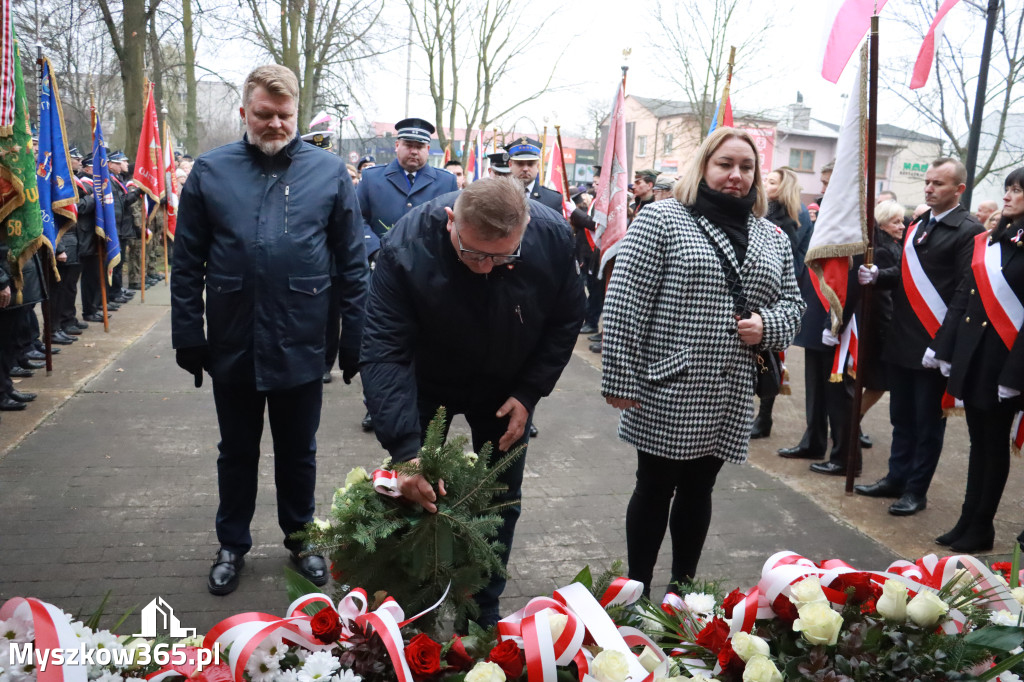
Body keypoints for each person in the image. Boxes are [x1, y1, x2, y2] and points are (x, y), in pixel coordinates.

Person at [171, 64, 368, 596]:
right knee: (236, 450)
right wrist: (187, 332)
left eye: (284, 115)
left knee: (298, 451)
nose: (275, 124)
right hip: (233, 341)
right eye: (264, 114)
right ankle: (232, 543)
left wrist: (356, 336)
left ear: (296, 113)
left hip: (304, 340)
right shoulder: (211, 173)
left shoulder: (328, 174)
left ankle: (301, 539)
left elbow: (353, 262)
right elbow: (186, 262)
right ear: (245, 112)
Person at [360, 176, 584, 626]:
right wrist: (405, 450)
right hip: (427, 379)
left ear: (524, 230)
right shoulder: (405, 245)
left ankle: (482, 604)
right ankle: (414, 605)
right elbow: (384, 348)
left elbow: (566, 317)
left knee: (500, 497)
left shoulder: (551, 235)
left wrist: (529, 392)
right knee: (414, 492)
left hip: (505, 383)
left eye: (504, 257)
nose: (486, 267)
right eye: (475, 254)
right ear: (450, 223)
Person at [600, 128, 804, 596]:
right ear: (704, 168)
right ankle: (635, 591)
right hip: (669, 383)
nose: (736, 175)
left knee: (700, 489)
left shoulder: (770, 235)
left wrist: (765, 324)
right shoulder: (662, 219)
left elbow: (794, 305)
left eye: (746, 167)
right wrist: (620, 376)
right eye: (725, 164)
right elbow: (626, 303)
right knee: (654, 487)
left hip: (730, 387)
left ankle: (681, 594)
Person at [854, 158, 984, 515]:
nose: (929, 188)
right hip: (902, 337)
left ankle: (915, 490)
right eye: (927, 182)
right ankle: (895, 478)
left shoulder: (968, 230)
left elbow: (964, 291)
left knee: (928, 425)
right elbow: (910, 275)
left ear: (959, 190)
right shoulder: (918, 224)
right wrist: (880, 274)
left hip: (932, 343)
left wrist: (943, 347)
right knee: (902, 417)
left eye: (938, 184)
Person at [932, 168, 1024, 553]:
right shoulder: (994, 238)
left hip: (1007, 361)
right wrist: (949, 350)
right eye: (1008, 188)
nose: (1008, 196)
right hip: (978, 356)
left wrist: (1016, 373)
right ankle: (968, 520)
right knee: (978, 442)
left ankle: (982, 524)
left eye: (1018, 190)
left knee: (993, 444)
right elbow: (966, 296)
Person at [355, 117, 458, 431]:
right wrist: (375, 250)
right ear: (396, 146)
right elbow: (357, 221)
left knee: (424, 343)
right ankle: (376, 405)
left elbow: (452, 224)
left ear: (429, 149)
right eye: (408, 145)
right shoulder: (372, 180)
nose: (414, 152)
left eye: (421, 146)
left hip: (428, 279)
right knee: (380, 342)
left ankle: (419, 403)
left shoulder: (445, 182)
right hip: (383, 275)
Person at [751, 167, 802, 439]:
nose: (764, 184)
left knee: (768, 361)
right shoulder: (763, 213)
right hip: (760, 303)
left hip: (771, 304)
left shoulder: (783, 223)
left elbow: (789, 269)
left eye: (771, 182)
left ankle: (765, 417)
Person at [505, 138, 563, 213]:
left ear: (538, 166)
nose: (525, 169)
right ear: (510, 165)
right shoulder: (497, 196)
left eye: (530, 164)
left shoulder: (553, 199)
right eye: (520, 163)